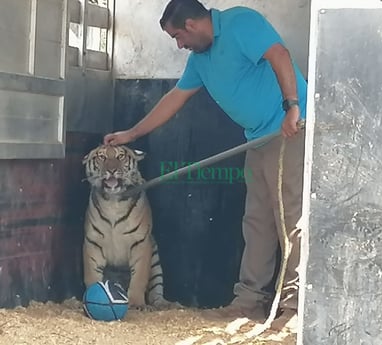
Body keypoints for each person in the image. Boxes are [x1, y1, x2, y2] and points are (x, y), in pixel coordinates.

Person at [104, 0, 307, 330]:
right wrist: (132, 133)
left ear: (192, 24)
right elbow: (175, 98)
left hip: (290, 129)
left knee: (290, 219)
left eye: (178, 37)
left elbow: (279, 55)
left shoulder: (242, 22)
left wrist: (292, 107)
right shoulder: (201, 60)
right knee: (257, 221)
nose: (180, 45)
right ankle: (249, 302)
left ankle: (296, 307)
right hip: (256, 138)